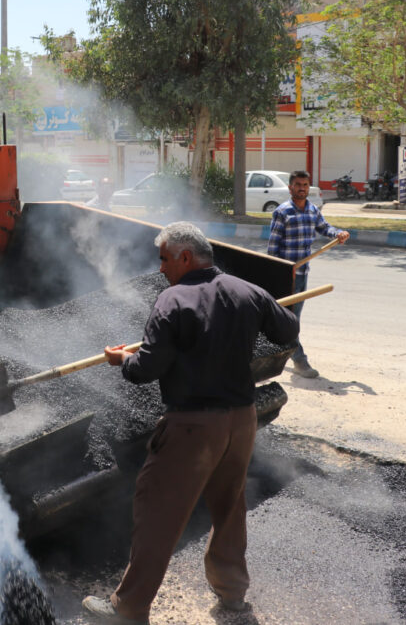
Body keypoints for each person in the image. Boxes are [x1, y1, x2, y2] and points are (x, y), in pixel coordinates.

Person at [82, 222, 299, 623]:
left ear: (185, 257)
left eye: (165, 259)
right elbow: (288, 328)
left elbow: (146, 369)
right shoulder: (246, 291)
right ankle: (232, 595)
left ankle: (128, 608)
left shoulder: (172, 300)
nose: (161, 268)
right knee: (229, 507)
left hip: (192, 428)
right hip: (241, 421)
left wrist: (122, 360)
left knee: (158, 513)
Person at [266, 170, 349, 379]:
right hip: (286, 275)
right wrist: (277, 271)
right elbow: (272, 248)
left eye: (305, 185)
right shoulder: (283, 212)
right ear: (290, 188)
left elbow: (325, 228)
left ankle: (275, 352)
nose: (302, 188)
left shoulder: (312, 210)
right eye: (298, 185)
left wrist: (338, 233)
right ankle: (300, 361)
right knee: (290, 320)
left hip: (302, 273)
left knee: (292, 319)